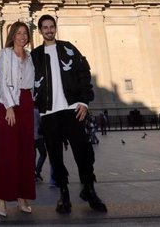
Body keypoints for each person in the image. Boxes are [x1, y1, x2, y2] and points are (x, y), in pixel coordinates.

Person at [31, 14, 106, 214]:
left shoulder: (68, 49)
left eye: (51, 26)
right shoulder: (35, 55)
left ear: (55, 28)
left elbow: (84, 72)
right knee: (55, 157)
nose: (48, 30)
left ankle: (89, 190)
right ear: (40, 31)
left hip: (72, 110)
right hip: (49, 113)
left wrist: (84, 101)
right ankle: (64, 196)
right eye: (44, 27)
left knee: (84, 153)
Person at [0, 21, 35, 216]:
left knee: (26, 153)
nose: (22, 36)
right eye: (19, 33)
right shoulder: (5, 54)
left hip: (26, 103)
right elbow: (1, 80)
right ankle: (1, 199)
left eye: (25, 33)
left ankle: (22, 197)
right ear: (12, 35)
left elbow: (33, 83)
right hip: (8, 104)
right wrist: (9, 106)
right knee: (7, 153)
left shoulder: (30, 57)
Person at [33, 107, 47, 181]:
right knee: (43, 154)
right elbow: (41, 122)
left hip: (30, 137)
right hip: (38, 136)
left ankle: (34, 173)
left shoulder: (26, 112)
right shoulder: (36, 111)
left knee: (33, 156)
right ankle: (37, 170)